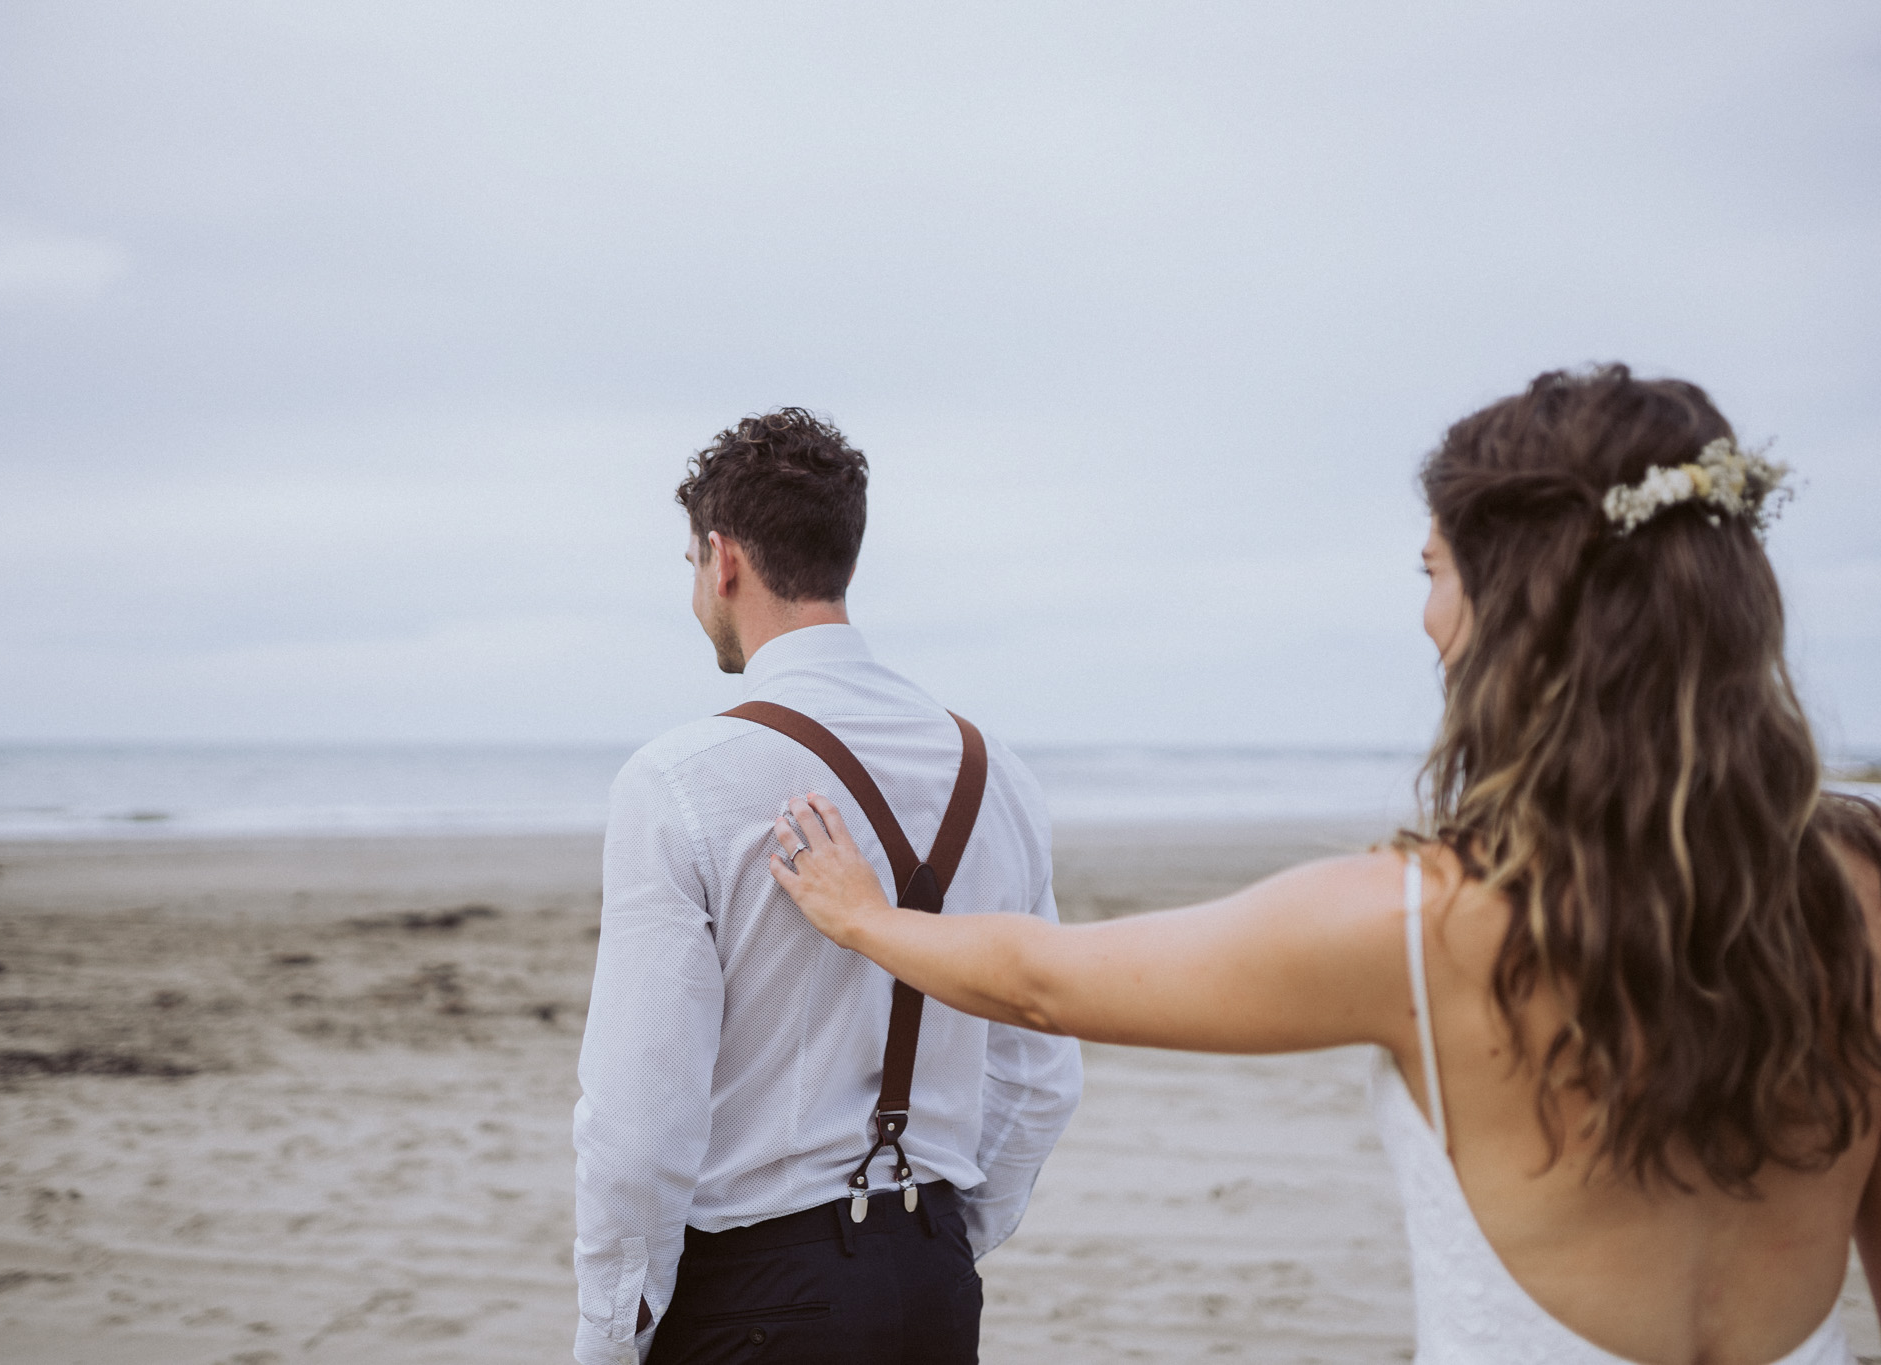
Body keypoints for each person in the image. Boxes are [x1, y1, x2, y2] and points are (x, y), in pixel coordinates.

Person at [767, 366, 1881, 1365]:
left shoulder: (1422, 925)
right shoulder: (1860, 887)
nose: (1426, 615)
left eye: (1432, 569)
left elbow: (1041, 981)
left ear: (1519, 608)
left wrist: (865, 920)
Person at [572, 408, 1083, 1365]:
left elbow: (637, 1125)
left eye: (692, 564)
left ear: (723, 560)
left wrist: (609, 1339)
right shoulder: (998, 773)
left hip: (754, 1298)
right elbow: (1041, 1071)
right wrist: (944, 1239)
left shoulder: (683, 779)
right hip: (932, 1282)